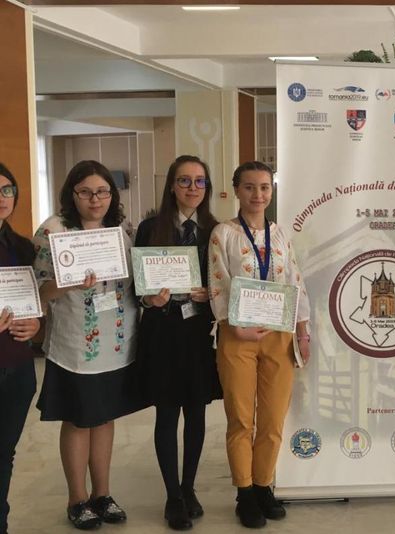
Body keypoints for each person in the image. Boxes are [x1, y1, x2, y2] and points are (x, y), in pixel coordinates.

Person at [32, 160, 141, 530]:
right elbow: (38, 293)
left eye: (103, 191)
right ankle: (77, 499)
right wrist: (68, 282)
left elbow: (132, 281)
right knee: (79, 419)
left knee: (105, 417)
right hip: (75, 345)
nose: (96, 200)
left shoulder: (120, 229)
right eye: (86, 192)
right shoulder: (53, 231)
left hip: (116, 343)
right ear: (72, 194)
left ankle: (102, 494)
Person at [208, 161, 311, 529]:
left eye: (264, 187)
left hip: (278, 334)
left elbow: (295, 281)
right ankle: (245, 492)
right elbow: (218, 283)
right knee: (240, 419)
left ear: (271, 191)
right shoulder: (223, 233)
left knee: (272, 417)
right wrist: (234, 326)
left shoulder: (280, 234)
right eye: (249, 187)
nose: (258, 194)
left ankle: (265, 485)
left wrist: (303, 330)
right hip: (238, 335)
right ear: (237, 190)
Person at [135, 155, 222, 530]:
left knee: (197, 413)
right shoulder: (149, 228)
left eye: (200, 181)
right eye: (184, 180)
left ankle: (189, 488)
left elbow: (227, 282)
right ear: (171, 185)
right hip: (162, 333)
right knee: (167, 414)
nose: (192, 188)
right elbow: (136, 289)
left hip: (198, 334)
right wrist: (149, 299)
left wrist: (212, 294)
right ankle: (172, 496)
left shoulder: (216, 230)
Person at [0, 163, 41, 534]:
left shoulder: (23, 248)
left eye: (7, 190)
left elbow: (33, 305)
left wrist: (36, 324)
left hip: (17, 368)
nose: (1, 198)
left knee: (4, 453)